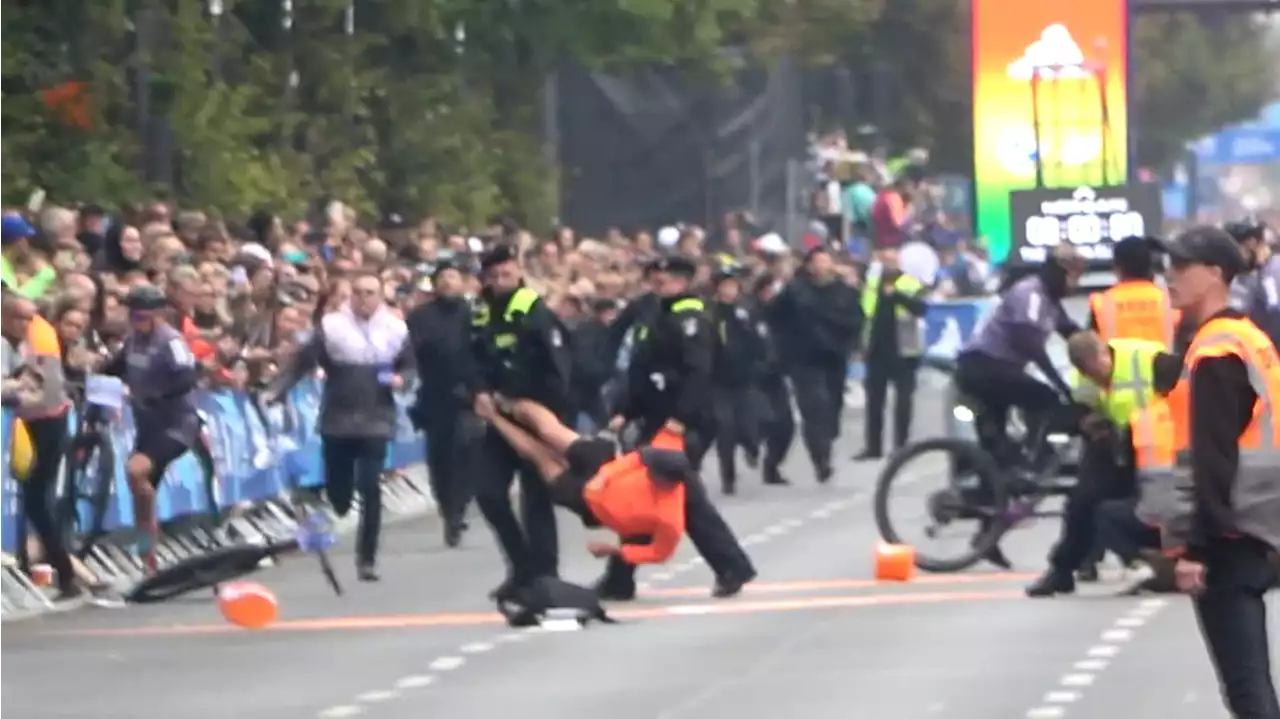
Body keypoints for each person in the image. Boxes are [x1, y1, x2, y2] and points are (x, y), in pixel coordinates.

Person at [1147, 225, 1280, 718]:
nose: (1170, 278)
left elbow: (1212, 457)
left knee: (1245, 687)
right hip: (1255, 523)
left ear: (1215, 274)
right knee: (1251, 681)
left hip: (1229, 532)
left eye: (1181, 268)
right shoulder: (1246, 337)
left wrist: (1196, 548)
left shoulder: (1217, 350)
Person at [482, 396, 756, 594]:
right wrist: (604, 476)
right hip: (604, 466)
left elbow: (659, 551)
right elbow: (635, 458)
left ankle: (493, 417)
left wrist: (615, 550)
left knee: (540, 457)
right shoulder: (654, 458)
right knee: (551, 431)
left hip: (588, 502)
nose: (650, 475)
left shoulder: (668, 517)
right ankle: (508, 401)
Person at [606, 253, 757, 599]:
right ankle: (621, 577)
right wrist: (626, 411)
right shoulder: (657, 314)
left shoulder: (691, 317)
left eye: (670, 276)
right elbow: (643, 371)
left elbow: (697, 373)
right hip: (656, 417)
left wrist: (679, 421)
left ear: (685, 281)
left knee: (676, 496)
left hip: (683, 421)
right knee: (648, 494)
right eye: (656, 276)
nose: (661, 281)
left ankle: (730, 565)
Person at [265, 272, 411, 582]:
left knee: (371, 486)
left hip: (376, 415)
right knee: (339, 487)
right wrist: (276, 391)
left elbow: (410, 364)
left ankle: (367, 559)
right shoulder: (332, 327)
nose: (363, 298)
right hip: (339, 414)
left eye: (370, 292)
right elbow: (301, 362)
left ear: (380, 296)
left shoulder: (396, 329)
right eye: (357, 292)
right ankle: (339, 496)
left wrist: (403, 379)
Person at [953, 246, 1084, 568]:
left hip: (997, 371)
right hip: (984, 368)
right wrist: (1060, 384)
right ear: (1055, 270)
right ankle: (1030, 460)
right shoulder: (1030, 293)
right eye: (1071, 275)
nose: (1074, 283)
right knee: (1046, 399)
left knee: (996, 456)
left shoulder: (1051, 303)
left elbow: (1073, 335)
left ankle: (987, 534)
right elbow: (1030, 343)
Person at [470, 244, 574, 600]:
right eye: (493, 276)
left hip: (534, 415)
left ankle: (546, 575)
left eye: (506, 274)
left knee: (537, 499)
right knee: (487, 492)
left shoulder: (534, 312)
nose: (500, 282)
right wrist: (480, 391)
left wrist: (548, 422)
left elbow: (557, 370)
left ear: (518, 273)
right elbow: (474, 361)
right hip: (499, 419)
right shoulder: (481, 313)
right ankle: (521, 566)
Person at [1025, 331, 1162, 597]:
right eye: (1091, 374)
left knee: (1153, 505)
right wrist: (1086, 423)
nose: (1099, 378)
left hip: (1161, 443)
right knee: (1082, 503)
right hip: (1117, 445)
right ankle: (1062, 571)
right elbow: (1081, 410)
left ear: (1104, 352)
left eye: (1099, 369)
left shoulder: (1146, 358)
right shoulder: (1084, 379)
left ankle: (1156, 558)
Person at [99, 285, 204, 574]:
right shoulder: (133, 340)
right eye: (133, 316)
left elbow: (189, 377)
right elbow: (116, 367)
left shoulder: (171, 341)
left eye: (143, 316)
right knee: (140, 488)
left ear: (158, 314)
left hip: (177, 425)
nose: (138, 321)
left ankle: (149, 540)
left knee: (135, 471)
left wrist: (158, 393)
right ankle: (149, 558)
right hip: (147, 427)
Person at [0, 292, 78, 598]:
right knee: (28, 497)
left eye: (28, 318)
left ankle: (63, 569)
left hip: (47, 421)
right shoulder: (9, 342)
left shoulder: (34, 340)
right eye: (19, 318)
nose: (25, 324)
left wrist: (14, 389)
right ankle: (50, 564)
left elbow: (39, 388)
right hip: (28, 420)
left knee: (35, 498)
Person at [765, 246, 861, 481]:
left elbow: (855, 322)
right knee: (814, 408)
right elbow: (773, 315)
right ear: (808, 266)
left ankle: (827, 441)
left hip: (834, 358)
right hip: (804, 359)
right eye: (816, 261)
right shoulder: (796, 291)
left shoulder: (845, 292)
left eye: (825, 261)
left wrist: (850, 346)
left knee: (832, 409)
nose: (820, 266)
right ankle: (821, 460)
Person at [406, 262, 479, 548]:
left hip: (468, 396)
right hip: (434, 397)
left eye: (453, 277)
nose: (448, 283)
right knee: (440, 458)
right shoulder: (421, 317)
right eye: (443, 278)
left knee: (469, 448)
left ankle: (460, 505)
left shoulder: (472, 314)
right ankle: (449, 511)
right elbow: (410, 351)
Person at [854, 246, 927, 461]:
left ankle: (901, 447)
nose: (888, 265)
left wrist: (896, 295)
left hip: (904, 350)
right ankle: (873, 447)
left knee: (903, 401)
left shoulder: (910, 283)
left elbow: (920, 308)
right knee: (874, 401)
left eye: (892, 261)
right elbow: (865, 313)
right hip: (877, 348)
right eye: (885, 261)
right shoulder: (871, 284)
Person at [708, 263, 764, 495]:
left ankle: (752, 449)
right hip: (718, 381)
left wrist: (761, 361)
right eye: (725, 286)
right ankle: (727, 477)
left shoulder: (746, 312)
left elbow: (758, 340)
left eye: (733, 285)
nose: (730, 290)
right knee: (725, 428)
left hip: (744, 379)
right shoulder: (712, 314)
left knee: (749, 425)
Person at [1087, 236, 1177, 346]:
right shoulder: (1170, 301)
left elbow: (1090, 352)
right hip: (1164, 363)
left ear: (1117, 267)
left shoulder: (1102, 304)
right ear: (1150, 266)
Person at [750, 273, 795, 486]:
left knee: (786, 424)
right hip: (753, 377)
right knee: (764, 421)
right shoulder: (750, 313)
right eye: (767, 291)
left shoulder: (781, 315)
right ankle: (751, 447)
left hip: (776, 375)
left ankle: (772, 465)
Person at [1225, 218, 1280, 350]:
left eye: (1237, 250)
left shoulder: (1273, 272)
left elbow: (1275, 311)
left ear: (1251, 244)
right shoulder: (1247, 273)